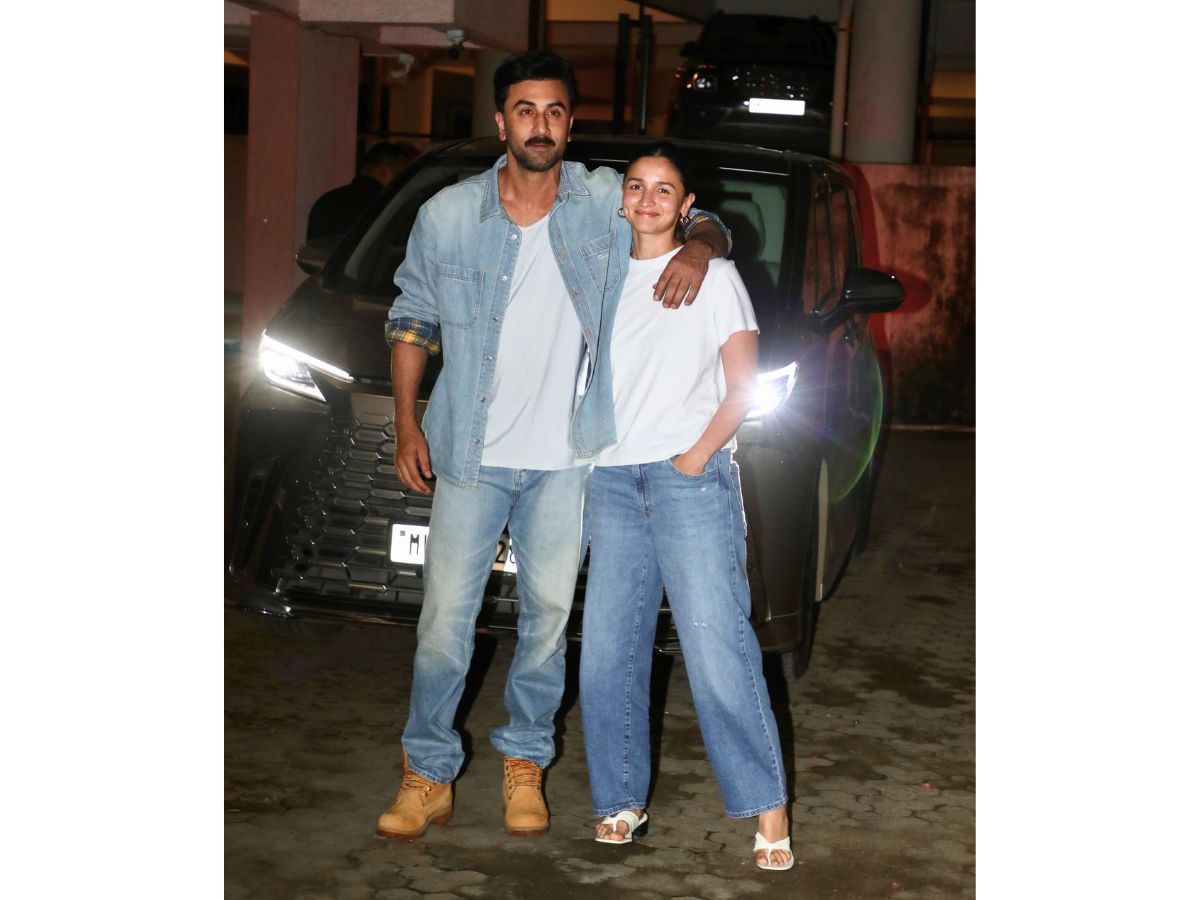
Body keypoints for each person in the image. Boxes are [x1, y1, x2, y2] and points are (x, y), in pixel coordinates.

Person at [376, 52, 731, 841]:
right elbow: (411, 318)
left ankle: (525, 764)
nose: (540, 125)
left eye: (555, 111)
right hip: (470, 455)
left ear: (571, 124)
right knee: (444, 625)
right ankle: (427, 774)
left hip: (568, 460)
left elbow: (702, 216)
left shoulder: (604, 201)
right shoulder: (447, 215)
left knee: (544, 623)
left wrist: (699, 249)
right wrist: (407, 424)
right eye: (525, 110)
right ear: (500, 122)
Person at [579, 143, 794, 871]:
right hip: (612, 480)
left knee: (716, 644)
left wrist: (695, 457)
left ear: (687, 204)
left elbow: (744, 388)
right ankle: (619, 799)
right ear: (621, 200)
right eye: (636, 187)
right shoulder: (602, 277)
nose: (647, 199)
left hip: (688, 479)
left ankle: (768, 806)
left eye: (663, 189)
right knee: (608, 649)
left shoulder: (716, 275)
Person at [305, 141, 418, 241]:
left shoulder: (326, 201)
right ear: (385, 172)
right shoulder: (386, 208)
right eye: (401, 176)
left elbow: (312, 251)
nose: (405, 183)